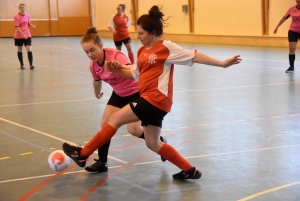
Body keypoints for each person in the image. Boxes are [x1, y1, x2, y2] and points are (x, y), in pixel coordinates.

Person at [63, 5, 241, 180]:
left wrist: (222, 63)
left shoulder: (166, 47)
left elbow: (193, 56)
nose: (138, 37)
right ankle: (190, 171)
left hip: (155, 99)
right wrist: (117, 69)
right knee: (153, 143)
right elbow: (133, 74)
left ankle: (83, 154)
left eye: (141, 33)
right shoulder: (141, 51)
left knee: (114, 119)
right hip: (153, 102)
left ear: (153, 32)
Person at [81, 27, 167, 173]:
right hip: (119, 94)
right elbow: (96, 80)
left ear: (100, 46)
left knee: (133, 129)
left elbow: (131, 71)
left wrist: (117, 67)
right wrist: (97, 94)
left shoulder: (116, 55)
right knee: (105, 124)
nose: (90, 54)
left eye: (92, 50)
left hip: (136, 92)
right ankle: (102, 162)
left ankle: (160, 142)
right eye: (86, 52)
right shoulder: (93, 65)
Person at [274, 0, 300, 73]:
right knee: (292, 49)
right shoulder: (291, 9)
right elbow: (284, 18)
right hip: (293, 31)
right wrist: (277, 27)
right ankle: (291, 67)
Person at [14, 4, 36, 70]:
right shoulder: (16, 16)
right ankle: (22, 64)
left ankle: (31, 64)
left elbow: (29, 23)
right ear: (19, 8)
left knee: (29, 49)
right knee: (19, 49)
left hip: (27, 34)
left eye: (24, 7)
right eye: (21, 8)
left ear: (25, 8)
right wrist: (23, 35)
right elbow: (17, 27)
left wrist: (32, 25)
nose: (22, 9)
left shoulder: (27, 15)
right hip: (19, 35)